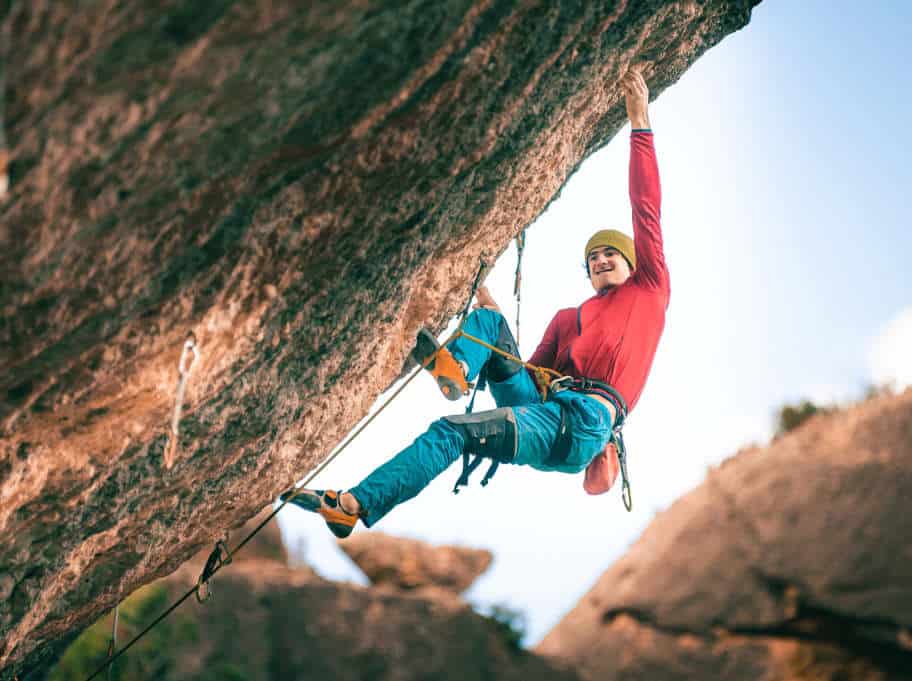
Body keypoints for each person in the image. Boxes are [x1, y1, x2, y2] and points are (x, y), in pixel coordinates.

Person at [283, 67, 669, 538]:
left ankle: (354, 503)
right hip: (546, 407)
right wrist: (488, 310)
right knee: (489, 323)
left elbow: (645, 207)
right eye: (592, 258)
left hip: (582, 424)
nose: (601, 260)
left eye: (611, 253)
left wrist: (639, 122)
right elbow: (524, 374)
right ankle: (457, 370)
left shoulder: (650, 289)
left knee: (451, 432)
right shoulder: (569, 319)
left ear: (632, 263)